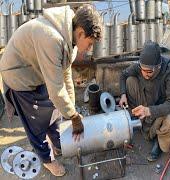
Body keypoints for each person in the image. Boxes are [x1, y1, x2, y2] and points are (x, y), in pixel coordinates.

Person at [0, 5, 102, 176]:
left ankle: (57, 142)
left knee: (54, 111)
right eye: (90, 43)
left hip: (36, 72)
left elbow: (66, 75)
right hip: (19, 76)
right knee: (36, 125)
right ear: (81, 33)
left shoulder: (70, 35)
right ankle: (47, 160)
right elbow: (56, 90)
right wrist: (74, 117)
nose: (90, 48)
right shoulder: (51, 38)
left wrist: (72, 111)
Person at [119, 41, 170, 162]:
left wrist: (149, 111)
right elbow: (123, 75)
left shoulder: (169, 69)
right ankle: (140, 123)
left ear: (158, 66)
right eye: (143, 70)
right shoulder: (140, 66)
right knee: (130, 81)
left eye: (149, 72)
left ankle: (158, 139)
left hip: (161, 112)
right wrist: (122, 95)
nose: (145, 74)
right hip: (145, 105)